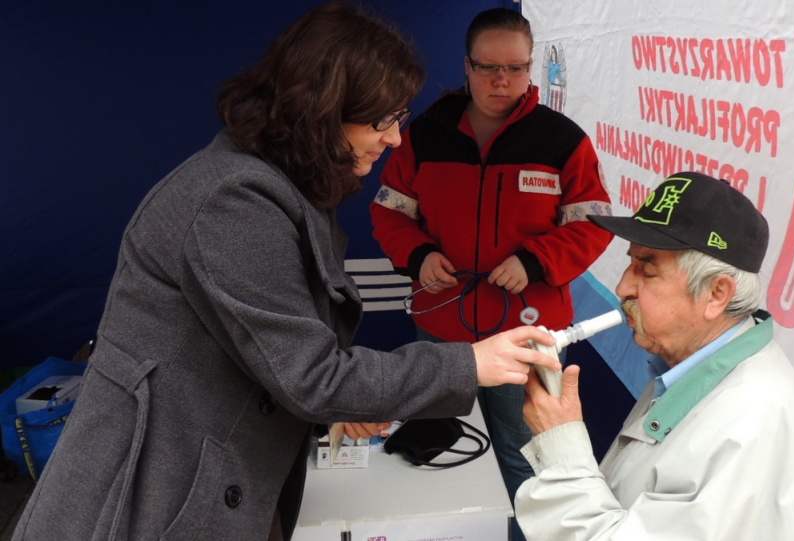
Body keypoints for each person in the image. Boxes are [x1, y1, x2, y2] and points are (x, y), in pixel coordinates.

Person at [11, 4, 561, 541]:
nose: (395, 139)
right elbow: (311, 375)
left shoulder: (285, 190)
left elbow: (264, 356)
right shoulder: (232, 201)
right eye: (384, 120)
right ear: (323, 110)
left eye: (401, 119)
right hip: (146, 508)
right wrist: (470, 362)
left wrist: (335, 411)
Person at [369, 7, 613, 538]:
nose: (501, 81)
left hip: (527, 334)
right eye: (487, 68)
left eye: (515, 68)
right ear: (466, 66)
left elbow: (594, 225)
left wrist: (534, 262)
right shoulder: (425, 134)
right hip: (442, 326)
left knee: (527, 459)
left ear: (530, 69)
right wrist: (417, 256)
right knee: (432, 445)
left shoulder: (562, 140)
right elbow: (390, 210)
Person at [515, 172, 794, 540]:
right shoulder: (692, 364)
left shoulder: (751, 426)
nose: (622, 287)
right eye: (630, 262)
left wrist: (561, 446)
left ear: (716, 294)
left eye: (646, 270)